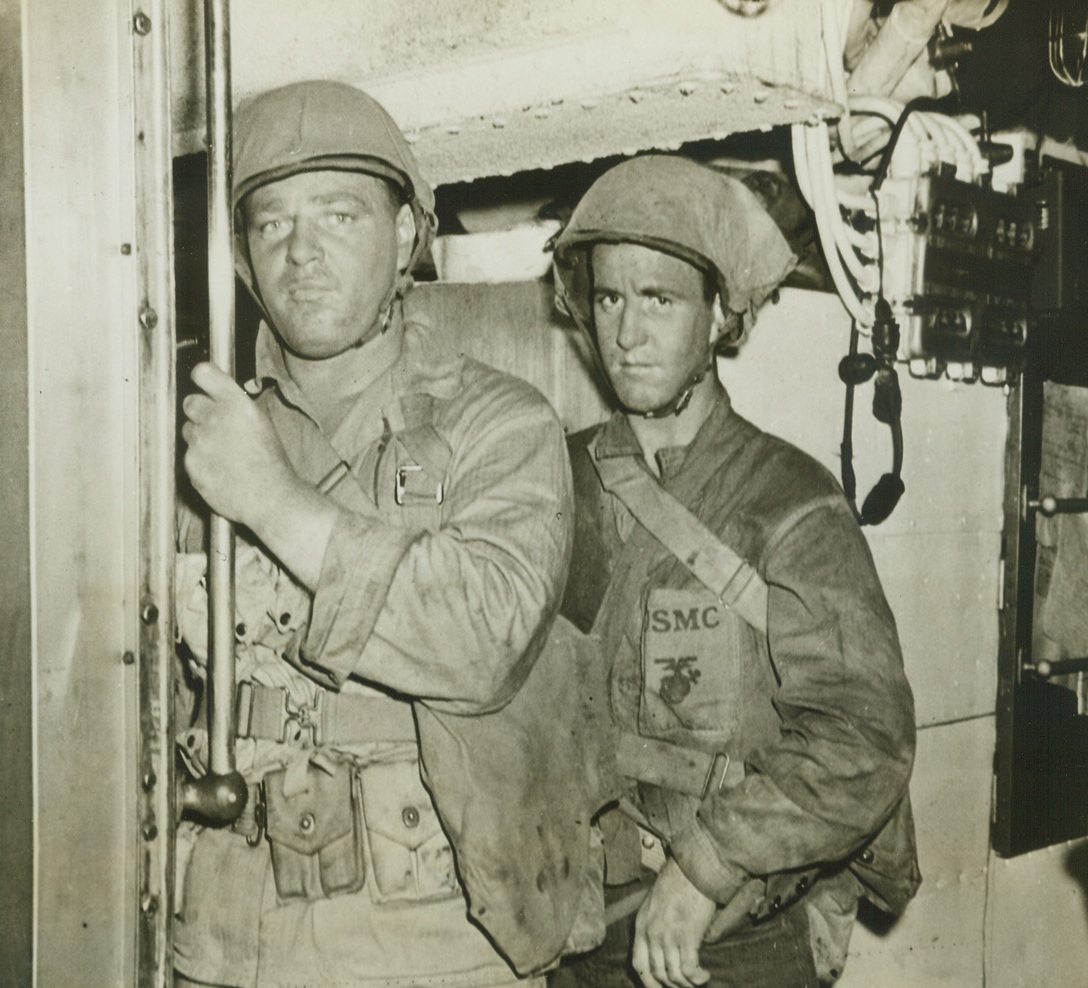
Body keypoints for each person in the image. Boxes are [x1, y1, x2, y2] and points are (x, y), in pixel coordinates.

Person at [173, 80, 583, 988]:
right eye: (271, 224)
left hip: (433, 940)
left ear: (406, 238)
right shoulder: (203, 442)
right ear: (239, 259)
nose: (301, 254)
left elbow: (486, 640)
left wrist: (273, 502)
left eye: (340, 214)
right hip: (225, 936)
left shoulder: (501, 426)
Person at [548, 155, 920, 988]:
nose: (628, 332)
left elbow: (866, 742)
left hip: (733, 942)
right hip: (570, 933)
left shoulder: (792, 503)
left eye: (660, 299)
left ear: (718, 315)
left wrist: (706, 866)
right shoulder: (550, 477)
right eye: (609, 297)